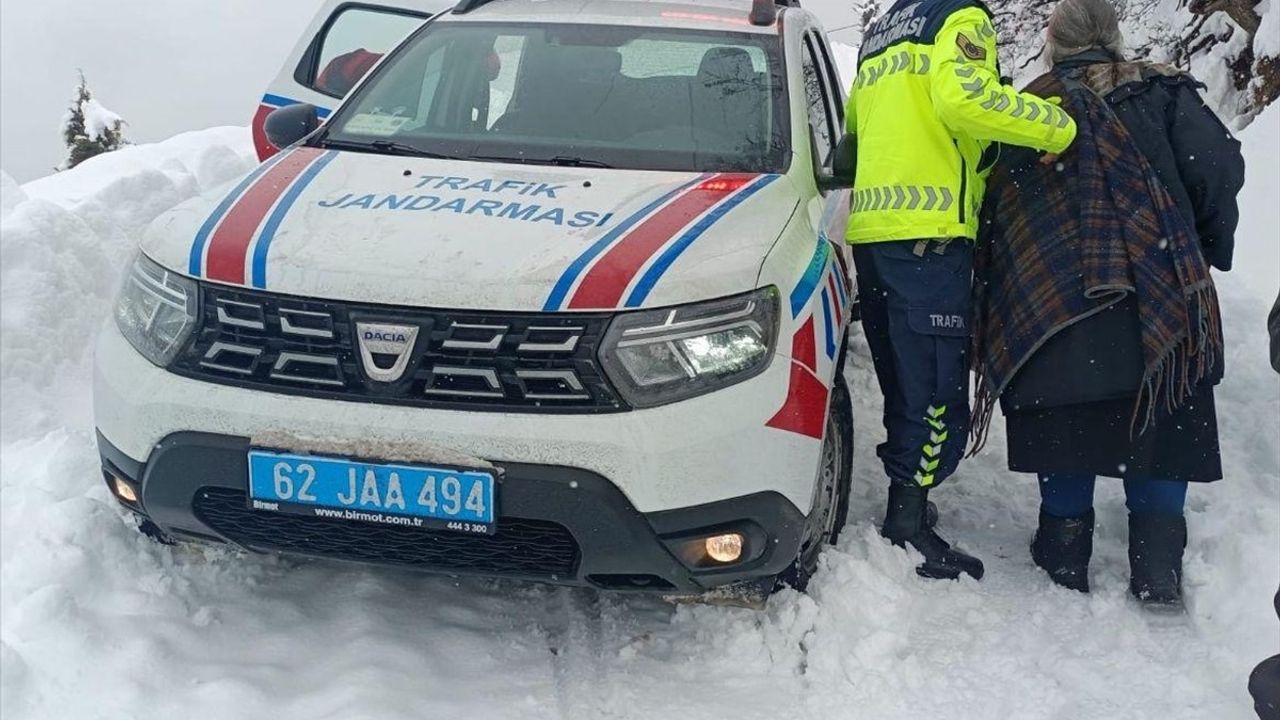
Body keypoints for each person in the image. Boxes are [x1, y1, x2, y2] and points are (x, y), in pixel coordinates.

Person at [971, 0, 1245, 606]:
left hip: (1053, 303)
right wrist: (1199, 245)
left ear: (1054, 44)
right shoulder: (1163, 93)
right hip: (1158, 291)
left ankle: (1065, 555)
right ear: (1115, 37)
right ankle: (1157, 566)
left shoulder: (1028, 107)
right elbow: (1217, 168)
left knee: (1064, 418)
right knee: (1164, 410)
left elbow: (992, 205)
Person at [844, 0, 1077, 580]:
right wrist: (1053, 125)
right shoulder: (959, 17)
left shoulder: (886, 27)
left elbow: (859, 130)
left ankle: (908, 497)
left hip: (876, 232)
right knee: (936, 387)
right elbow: (963, 99)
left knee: (904, 377)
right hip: (930, 237)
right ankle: (908, 524)